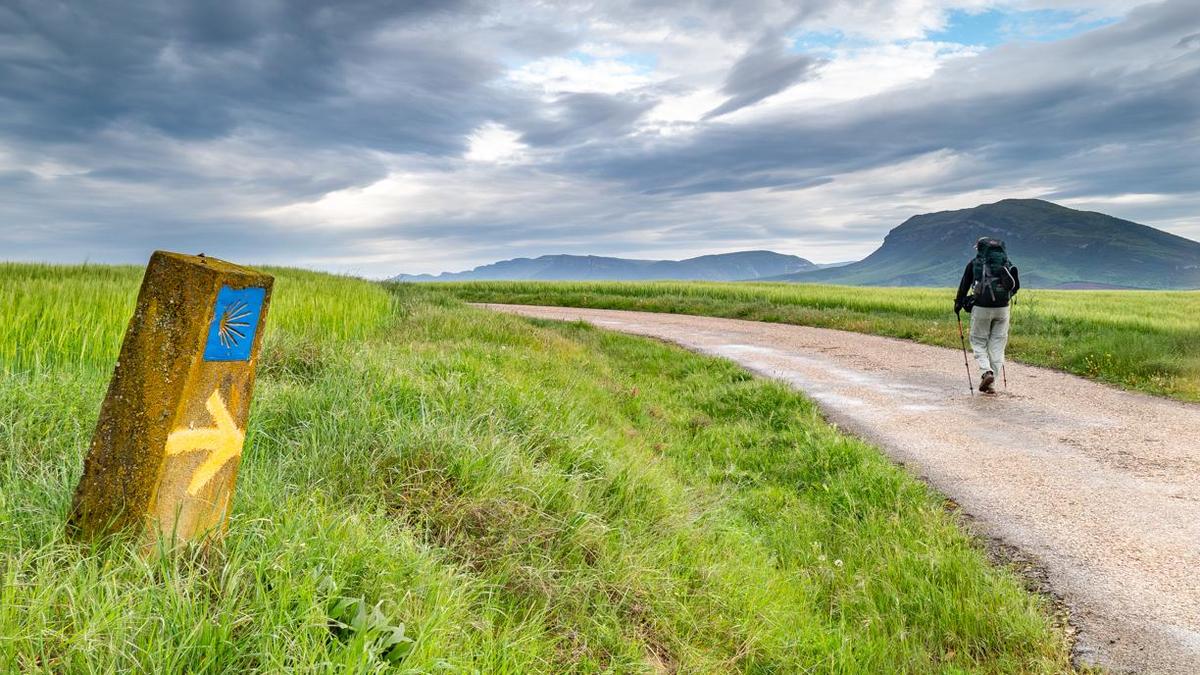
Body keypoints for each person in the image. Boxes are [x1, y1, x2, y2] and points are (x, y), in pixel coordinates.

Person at [954, 237, 1019, 393]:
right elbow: (1015, 286)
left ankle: (986, 372)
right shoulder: (1007, 263)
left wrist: (958, 303)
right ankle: (991, 384)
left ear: (980, 248)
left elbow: (964, 284)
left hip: (981, 307)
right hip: (1003, 308)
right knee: (997, 344)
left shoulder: (975, 263)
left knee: (978, 341)